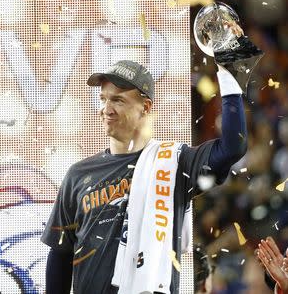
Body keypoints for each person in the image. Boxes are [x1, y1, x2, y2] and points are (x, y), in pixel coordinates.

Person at [41, 58, 247, 293]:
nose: (106, 109)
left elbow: (233, 146)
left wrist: (228, 72)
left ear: (146, 107)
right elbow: (60, 254)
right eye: (103, 99)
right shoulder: (78, 175)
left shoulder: (175, 162)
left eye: (118, 100)